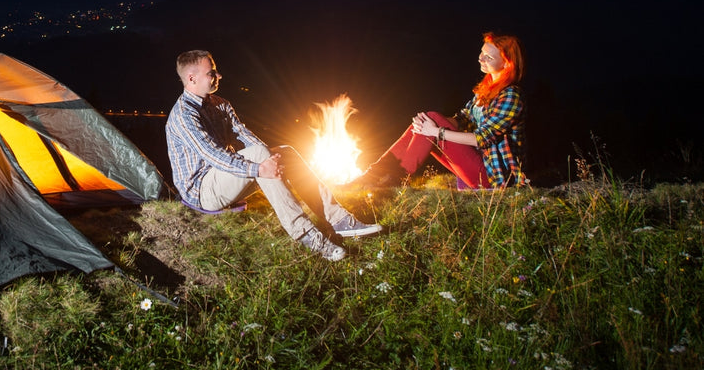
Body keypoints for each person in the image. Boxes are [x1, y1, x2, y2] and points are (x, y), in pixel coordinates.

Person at [165, 49, 382, 261]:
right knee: (260, 156)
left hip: (225, 177)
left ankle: (338, 220)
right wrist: (259, 168)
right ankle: (306, 234)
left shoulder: (220, 104)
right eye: (211, 73)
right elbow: (214, 156)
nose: (219, 76)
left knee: (286, 152)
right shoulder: (184, 115)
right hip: (203, 191)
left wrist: (271, 159)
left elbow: (245, 136)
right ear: (191, 78)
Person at [350, 32, 528, 190]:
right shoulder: (486, 90)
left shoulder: (511, 96)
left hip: (493, 176)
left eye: (489, 57)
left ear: (506, 64)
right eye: (482, 52)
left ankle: (395, 178)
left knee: (432, 123)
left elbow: (483, 138)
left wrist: (436, 131)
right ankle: (374, 174)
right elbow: (462, 119)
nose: (481, 58)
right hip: (476, 168)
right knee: (429, 120)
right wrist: (427, 124)